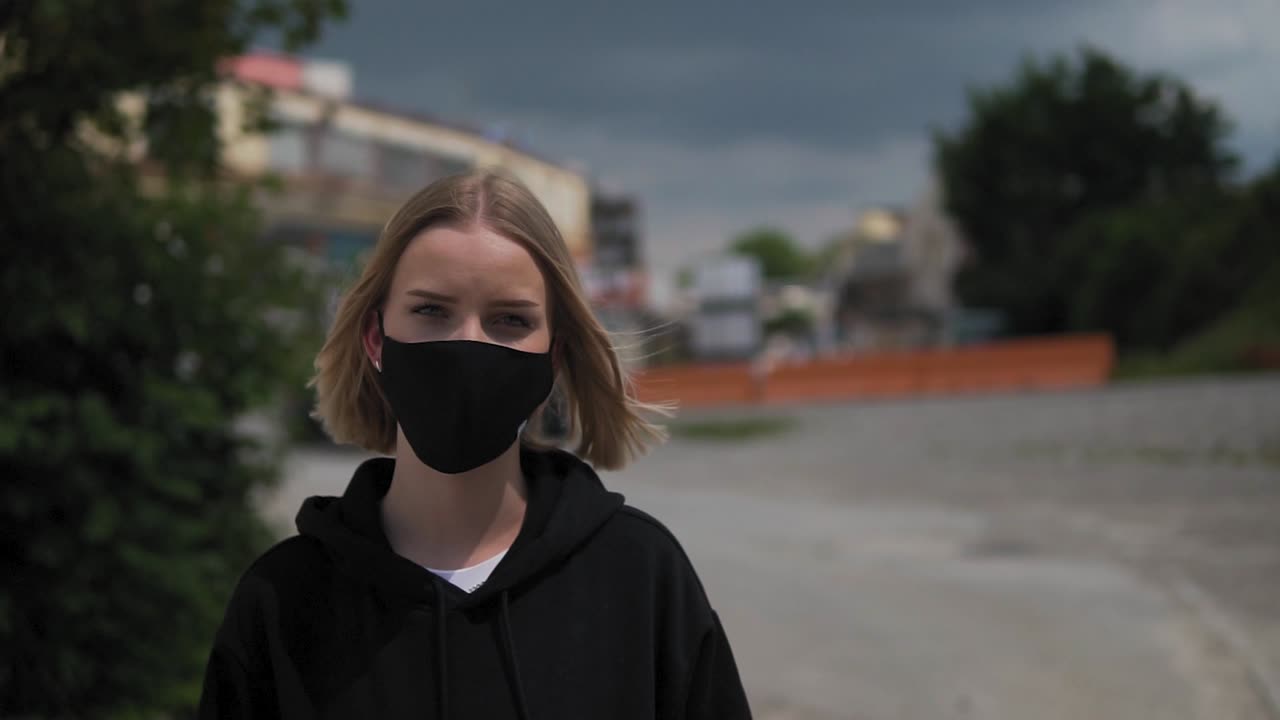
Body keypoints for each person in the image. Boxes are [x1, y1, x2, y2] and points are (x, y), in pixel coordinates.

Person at [198, 171, 752, 719]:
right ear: (375, 339)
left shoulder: (641, 577)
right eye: (431, 310)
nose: (467, 345)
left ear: (553, 358)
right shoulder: (283, 601)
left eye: (509, 319)